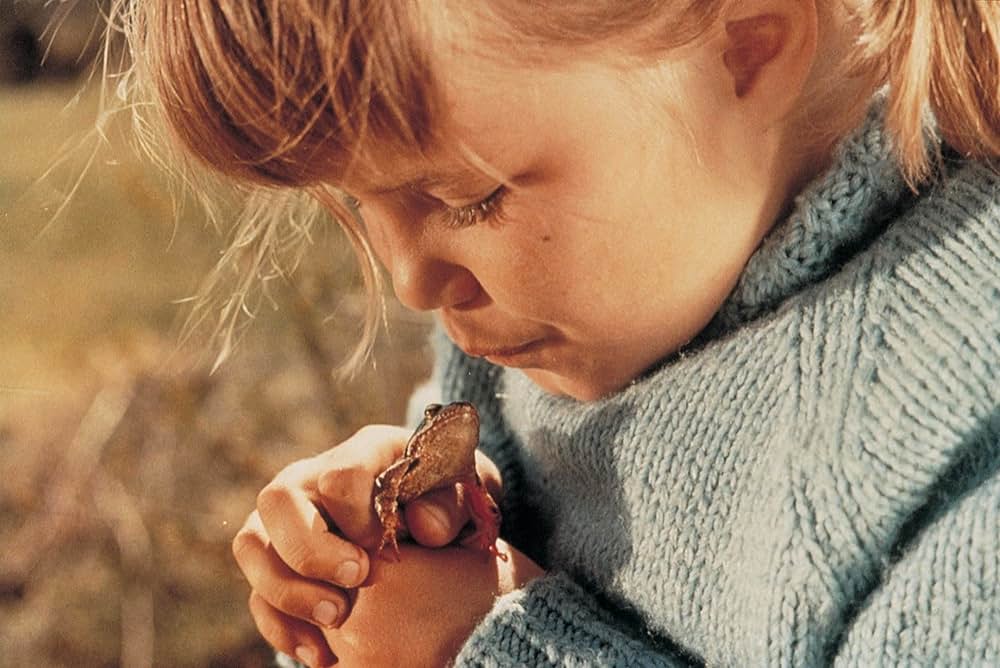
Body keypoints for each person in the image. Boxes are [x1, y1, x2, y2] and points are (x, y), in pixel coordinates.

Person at [118, 0, 1000, 665]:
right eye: (357, 202)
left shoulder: (952, 447)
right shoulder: (548, 329)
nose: (413, 283)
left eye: (470, 198)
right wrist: (358, 576)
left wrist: (484, 646)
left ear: (747, 47)